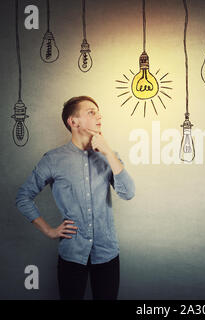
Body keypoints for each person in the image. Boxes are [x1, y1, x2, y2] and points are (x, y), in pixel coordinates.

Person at [15, 96, 135, 300]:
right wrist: (49, 230)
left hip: (106, 254)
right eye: (91, 112)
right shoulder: (53, 159)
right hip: (71, 255)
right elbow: (23, 197)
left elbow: (128, 192)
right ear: (73, 122)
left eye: (99, 112)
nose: (99, 116)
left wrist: (107, 151)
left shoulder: (109, 156)